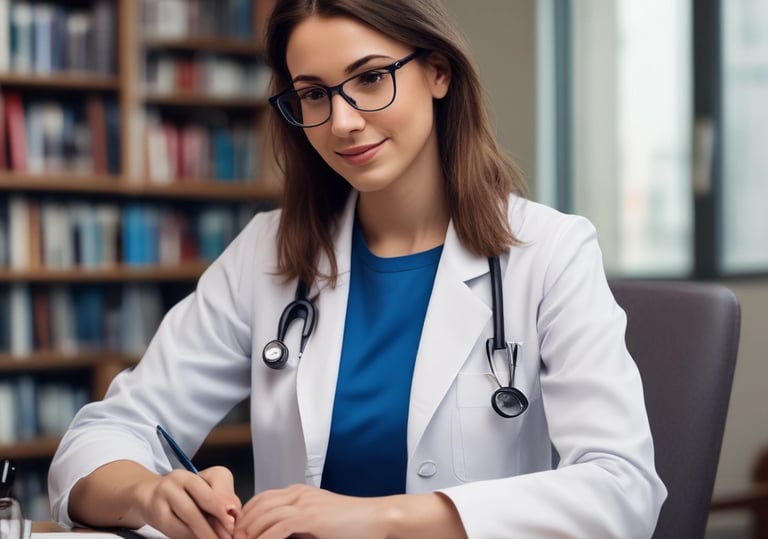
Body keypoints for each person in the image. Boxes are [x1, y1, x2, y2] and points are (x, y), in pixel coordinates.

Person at [48, 0, 667, 537]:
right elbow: (105, 434)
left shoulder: (549, 251)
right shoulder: (268, 253)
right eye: (314, 93)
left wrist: (381, 520)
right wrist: (150, 494)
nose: (342, 121)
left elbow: (622, 490)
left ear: (439, 72)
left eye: (370, 79)